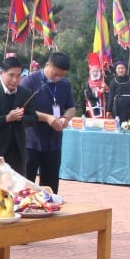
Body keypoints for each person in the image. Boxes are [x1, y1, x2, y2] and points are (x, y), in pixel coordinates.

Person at [20, 51, 76, 194]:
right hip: (31, 141)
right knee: (26, 185)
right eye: (55, 74)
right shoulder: (29, 81)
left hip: (53, 142)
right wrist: (47, 118)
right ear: (47, 65)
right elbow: (23, 110)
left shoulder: (65, 84)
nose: (58, 78)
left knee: (50, 188)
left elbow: (71, 108)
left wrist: (65, 118)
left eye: (62, 75)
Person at [0, 56, 37, 174]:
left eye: (18, 75)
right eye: (11, 75)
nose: (15, 80)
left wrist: (20, 118)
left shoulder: (25, 93)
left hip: (17, 151)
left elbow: (33, 118)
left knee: (16, 190)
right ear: (1, 73)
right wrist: (6, 119)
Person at [84, 53, 108, 119]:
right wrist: (99, 92)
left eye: (96, 71)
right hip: (92, 106)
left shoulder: (102, 81)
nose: (95, 73)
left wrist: (106, 88)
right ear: (90, 73)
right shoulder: (88, 83)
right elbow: (88, 95)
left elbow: (109, 93)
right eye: (93, 72)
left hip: (103, 106)